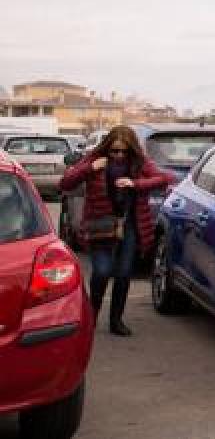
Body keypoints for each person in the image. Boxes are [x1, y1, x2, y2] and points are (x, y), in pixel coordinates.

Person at [60, 126, 174, 336]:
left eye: (124, 151)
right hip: (100, 225)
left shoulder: (139, 163)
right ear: (107, 148)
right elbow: (65, 183)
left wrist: (135, 183)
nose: (119, 155)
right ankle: (90, 319)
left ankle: (116, 321)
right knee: (102, 272)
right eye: (114, 151)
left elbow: (164, 179)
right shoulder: (94, 159)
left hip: (129, 225)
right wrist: (90, 168)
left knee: (123, 274)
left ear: (131, 150)